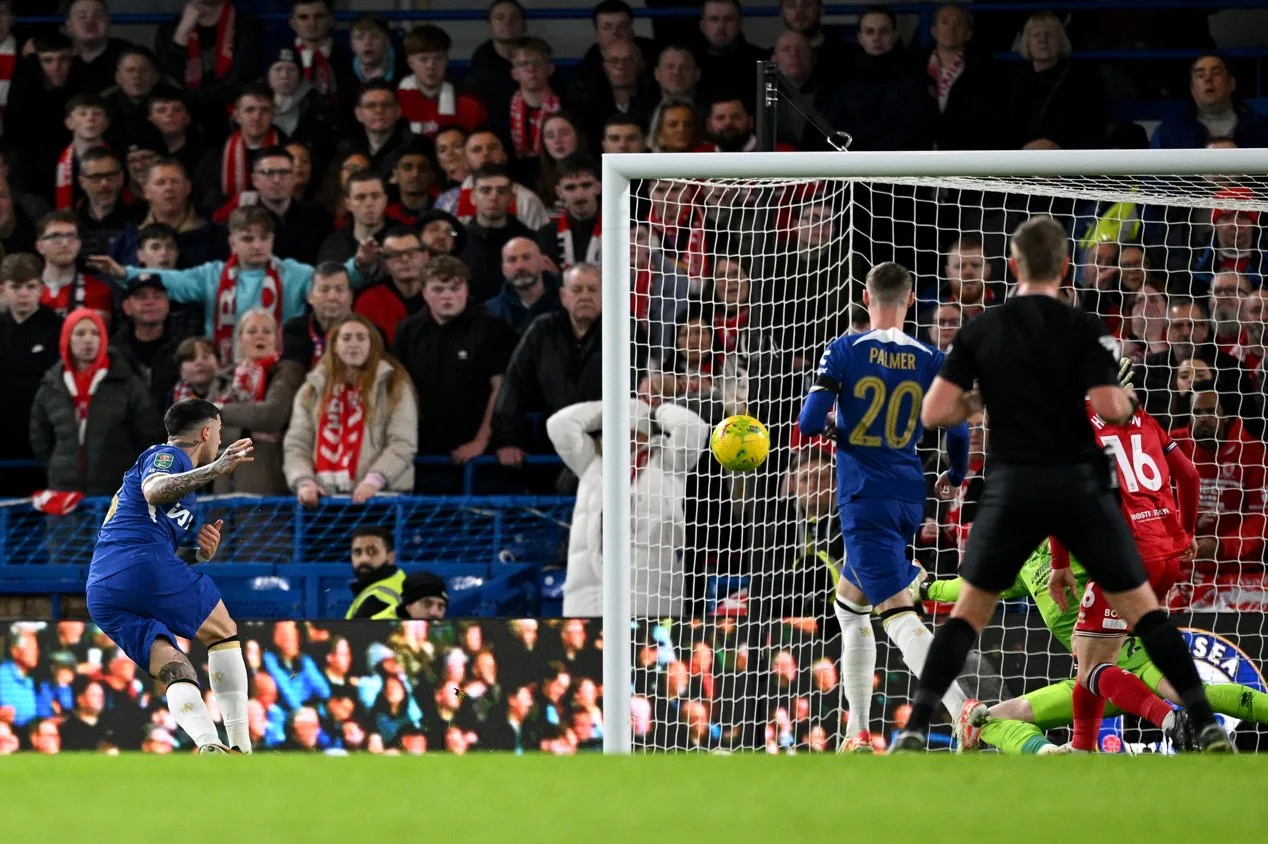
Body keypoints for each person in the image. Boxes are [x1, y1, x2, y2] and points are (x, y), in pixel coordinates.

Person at [890, 215, 1230, 753]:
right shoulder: (1083, 327)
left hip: (1013, 487)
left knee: (968, 614)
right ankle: (1206, 723)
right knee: (1146, 613)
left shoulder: (983, 328)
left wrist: (986, 400)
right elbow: (1112, 408)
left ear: (1012, 266)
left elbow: (935, 413)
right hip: (1077, 488)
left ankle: (915, 727)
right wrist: (1123, 402)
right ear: (1066, 266)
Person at [796, 261, 973, 752]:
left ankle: (964, 710)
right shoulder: (931, 357)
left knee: (897, 614)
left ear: (866, 296)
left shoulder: (845, 349)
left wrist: (836, 431)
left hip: (863, 499)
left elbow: (809, 422)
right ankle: (856, 734)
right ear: (911, 299)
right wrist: (954, 476)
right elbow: (958, 429)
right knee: (850, 607)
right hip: (908, 494)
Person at [923, 537, 1268, 754]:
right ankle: (1049, 756)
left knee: (1191, 697)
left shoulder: (1074, 537)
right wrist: (925, 589)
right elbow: (972, 588)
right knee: (989, 718)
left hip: (1133, 652)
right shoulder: (1025, 567)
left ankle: (1171, 722)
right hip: (1091, 681)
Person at [85, 397, 255, 753]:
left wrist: (199, 555)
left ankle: (209, 744)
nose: (220, 442)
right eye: (219, 433)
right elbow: (154, 489)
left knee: (174, 667)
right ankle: (241, 746)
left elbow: (155, 549)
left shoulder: (175, 480)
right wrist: (217, 469)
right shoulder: (169, 455)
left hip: (104, 588)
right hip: (140, 561)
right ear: (207, 431)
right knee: (223, 632)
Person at [549, 396, 708, 617]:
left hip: (650, 592)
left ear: (645, 434)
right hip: (589, 591)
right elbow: (560, 425)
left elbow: (692, 428)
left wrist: (654, 412)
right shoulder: (591, 462)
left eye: (632, 432)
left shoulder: (669, 463)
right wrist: (611, 407)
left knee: (646, 651)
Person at [392, 255, 515, 490]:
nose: (447, 295)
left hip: (478, 456)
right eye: (438, 289)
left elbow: (501, 388)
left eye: (455, 288)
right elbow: (397, 388)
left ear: (467, 289)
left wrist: (480, 441)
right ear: (424, 292)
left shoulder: (491, 327)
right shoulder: (408, 330)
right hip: (421, 452)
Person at [283, 313, 418, 506]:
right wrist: (304, 481)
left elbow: (402, 443)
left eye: (361, 338)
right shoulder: (312, 388)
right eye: (346, 338)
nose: (353, 344)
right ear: (334, 346)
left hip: (381, 497)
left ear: (373, 345)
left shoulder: (394, 385)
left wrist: (374, 480)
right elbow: (297, 443)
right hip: (323, 499)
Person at [30, 307, 166, 496]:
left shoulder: (127, 383)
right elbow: (40, 436)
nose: (88, 339)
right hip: (63, 491)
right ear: (67, 339)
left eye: (95, 333)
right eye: (80, 333)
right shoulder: (51, 386)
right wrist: (58, 465)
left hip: (116, 492)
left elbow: (149, 433)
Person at [491, 263, 602, 467]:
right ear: (563, 297)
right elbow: (514, 385)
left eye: (593, 290)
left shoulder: (626, 329)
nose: (585, 296)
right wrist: (507, 440)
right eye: (577, 290)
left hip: (607, 445)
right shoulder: (542, 331)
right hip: (551, 442)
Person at [154, 0, 266, 141]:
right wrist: (183, 32)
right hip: (185, 120)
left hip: (230, 115)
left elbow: (243, 75)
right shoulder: (170, 28)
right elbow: (170, 73)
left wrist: (196, 99)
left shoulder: (247, 25)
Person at [0, 254, 61, 496]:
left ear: (41, 289)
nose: (23, 293)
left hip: (43, 441)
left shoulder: (58, 328)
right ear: (3, 289)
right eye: (16, 287)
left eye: (30, 286)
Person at [1152, 53, 1268, 150]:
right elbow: (1152, 176)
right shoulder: (1169, 132)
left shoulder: (1262, 128)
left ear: (1231, 83)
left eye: (1216, 73)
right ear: (1192, 90)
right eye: (1200, 75)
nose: (1208, 79)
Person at [397, 24, 487, 138]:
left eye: (438, 58)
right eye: (423, 59)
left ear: (447, 60)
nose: (431, 66)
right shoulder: (395, 104)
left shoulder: (470, 105)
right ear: (410, 62)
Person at [111, 274, 182, 411]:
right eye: (141, 297)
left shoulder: (184, 347)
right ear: (127, 307)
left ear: (167, 303)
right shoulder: (113, 352)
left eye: (157, 296)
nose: (150, 302)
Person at [352, 227, 428, 344]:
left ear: (425, 256)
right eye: (395, 254)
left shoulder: (442, 295)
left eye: (411, 253)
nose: (405, 259)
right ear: (384, 262)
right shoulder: (368, 301)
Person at [36, 210, 114, 319]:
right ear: (40, 246)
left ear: (79, 244)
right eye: (55, 237)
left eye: (71, 236)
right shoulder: (26, 291)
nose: (65, 244)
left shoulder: (98, 291)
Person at [282, 261, 353, 370]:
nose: (332, 297)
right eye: (324, 290)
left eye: (339, 290)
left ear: (350, 297)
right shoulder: (293, 330)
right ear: (310, 296)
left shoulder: (370, 333)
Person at [75, 148, 143, 258]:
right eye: (96, 178)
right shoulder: (73, 219)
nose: (104, 183)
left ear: (121, 178)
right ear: (82, 182)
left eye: (110, 176)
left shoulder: (140, 216)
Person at [486, 236, 561, 337]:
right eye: (512, 260)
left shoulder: (567, 305)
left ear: (542, 262)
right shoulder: (490, 313)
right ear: (503, 269)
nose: (520, 266)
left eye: (526, 258)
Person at [537, 155, 600, 271]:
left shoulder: (620, 230)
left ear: (599, 187)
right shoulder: (547, 235)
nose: (579, 195)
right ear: (559, 192)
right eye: (570, 188)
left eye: (586, 185)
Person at [341, 525, 406, 619]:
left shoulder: (378, 598)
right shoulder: (399, 577)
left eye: (372, 551)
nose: (364, 559)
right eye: (357, 552)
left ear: (391, 557)